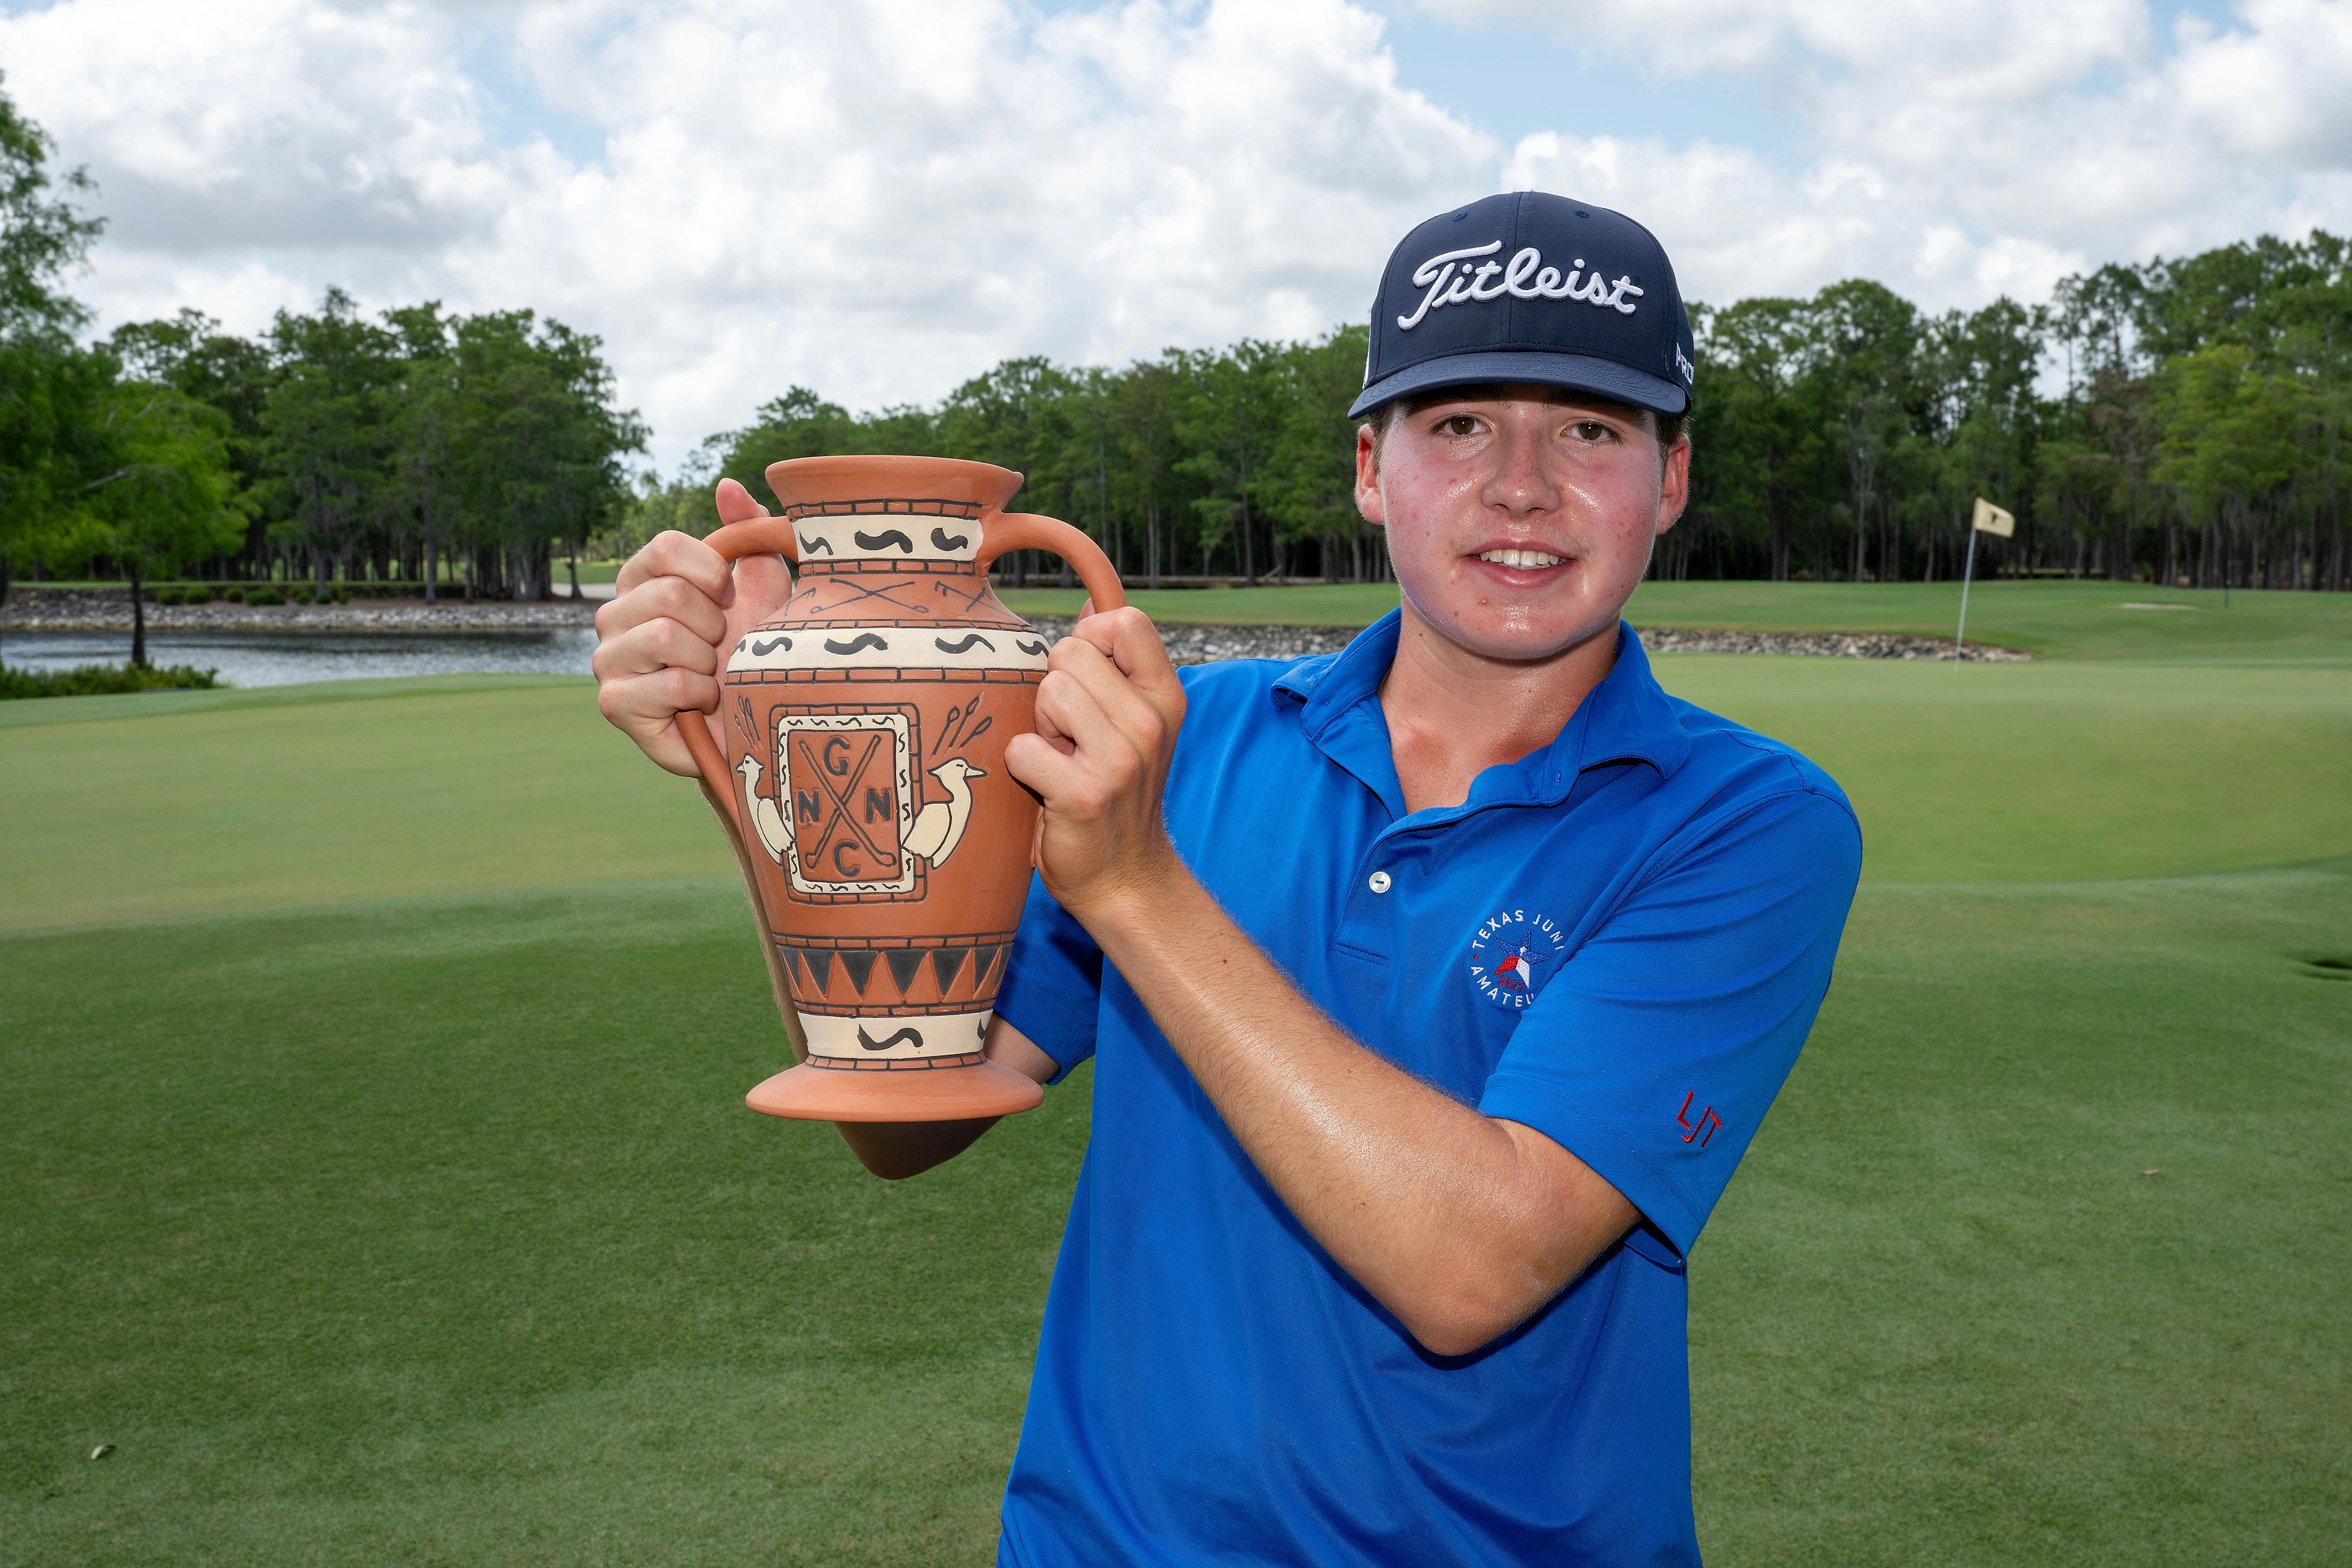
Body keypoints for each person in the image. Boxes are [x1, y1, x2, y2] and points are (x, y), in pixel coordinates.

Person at [593, 190, 1860, 1566]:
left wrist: (1137, 887)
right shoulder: (1183, 745)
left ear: (1669, 480)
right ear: (1372, 469)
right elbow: (900, 1120)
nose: (1521, 483)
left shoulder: (1744, 821)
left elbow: (1472, 1268)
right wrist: (791, 794)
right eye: (1458, 426)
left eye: (1591, 430)